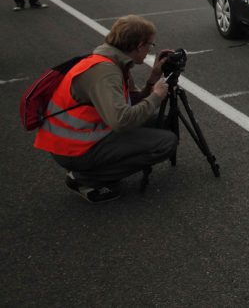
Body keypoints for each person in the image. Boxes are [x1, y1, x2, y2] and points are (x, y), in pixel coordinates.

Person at [33, 15, 179, 203]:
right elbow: (122, 120)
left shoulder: (111, 59)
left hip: (85, 135)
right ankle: (84, 179)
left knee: (162, 122)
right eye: (150, 45)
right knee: (166, 142)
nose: (150, 50)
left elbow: (129, 103)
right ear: (139, 45)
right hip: (73, 147)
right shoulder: (105, 72)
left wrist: (154, 77)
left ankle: (90, 169)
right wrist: (157, 96)